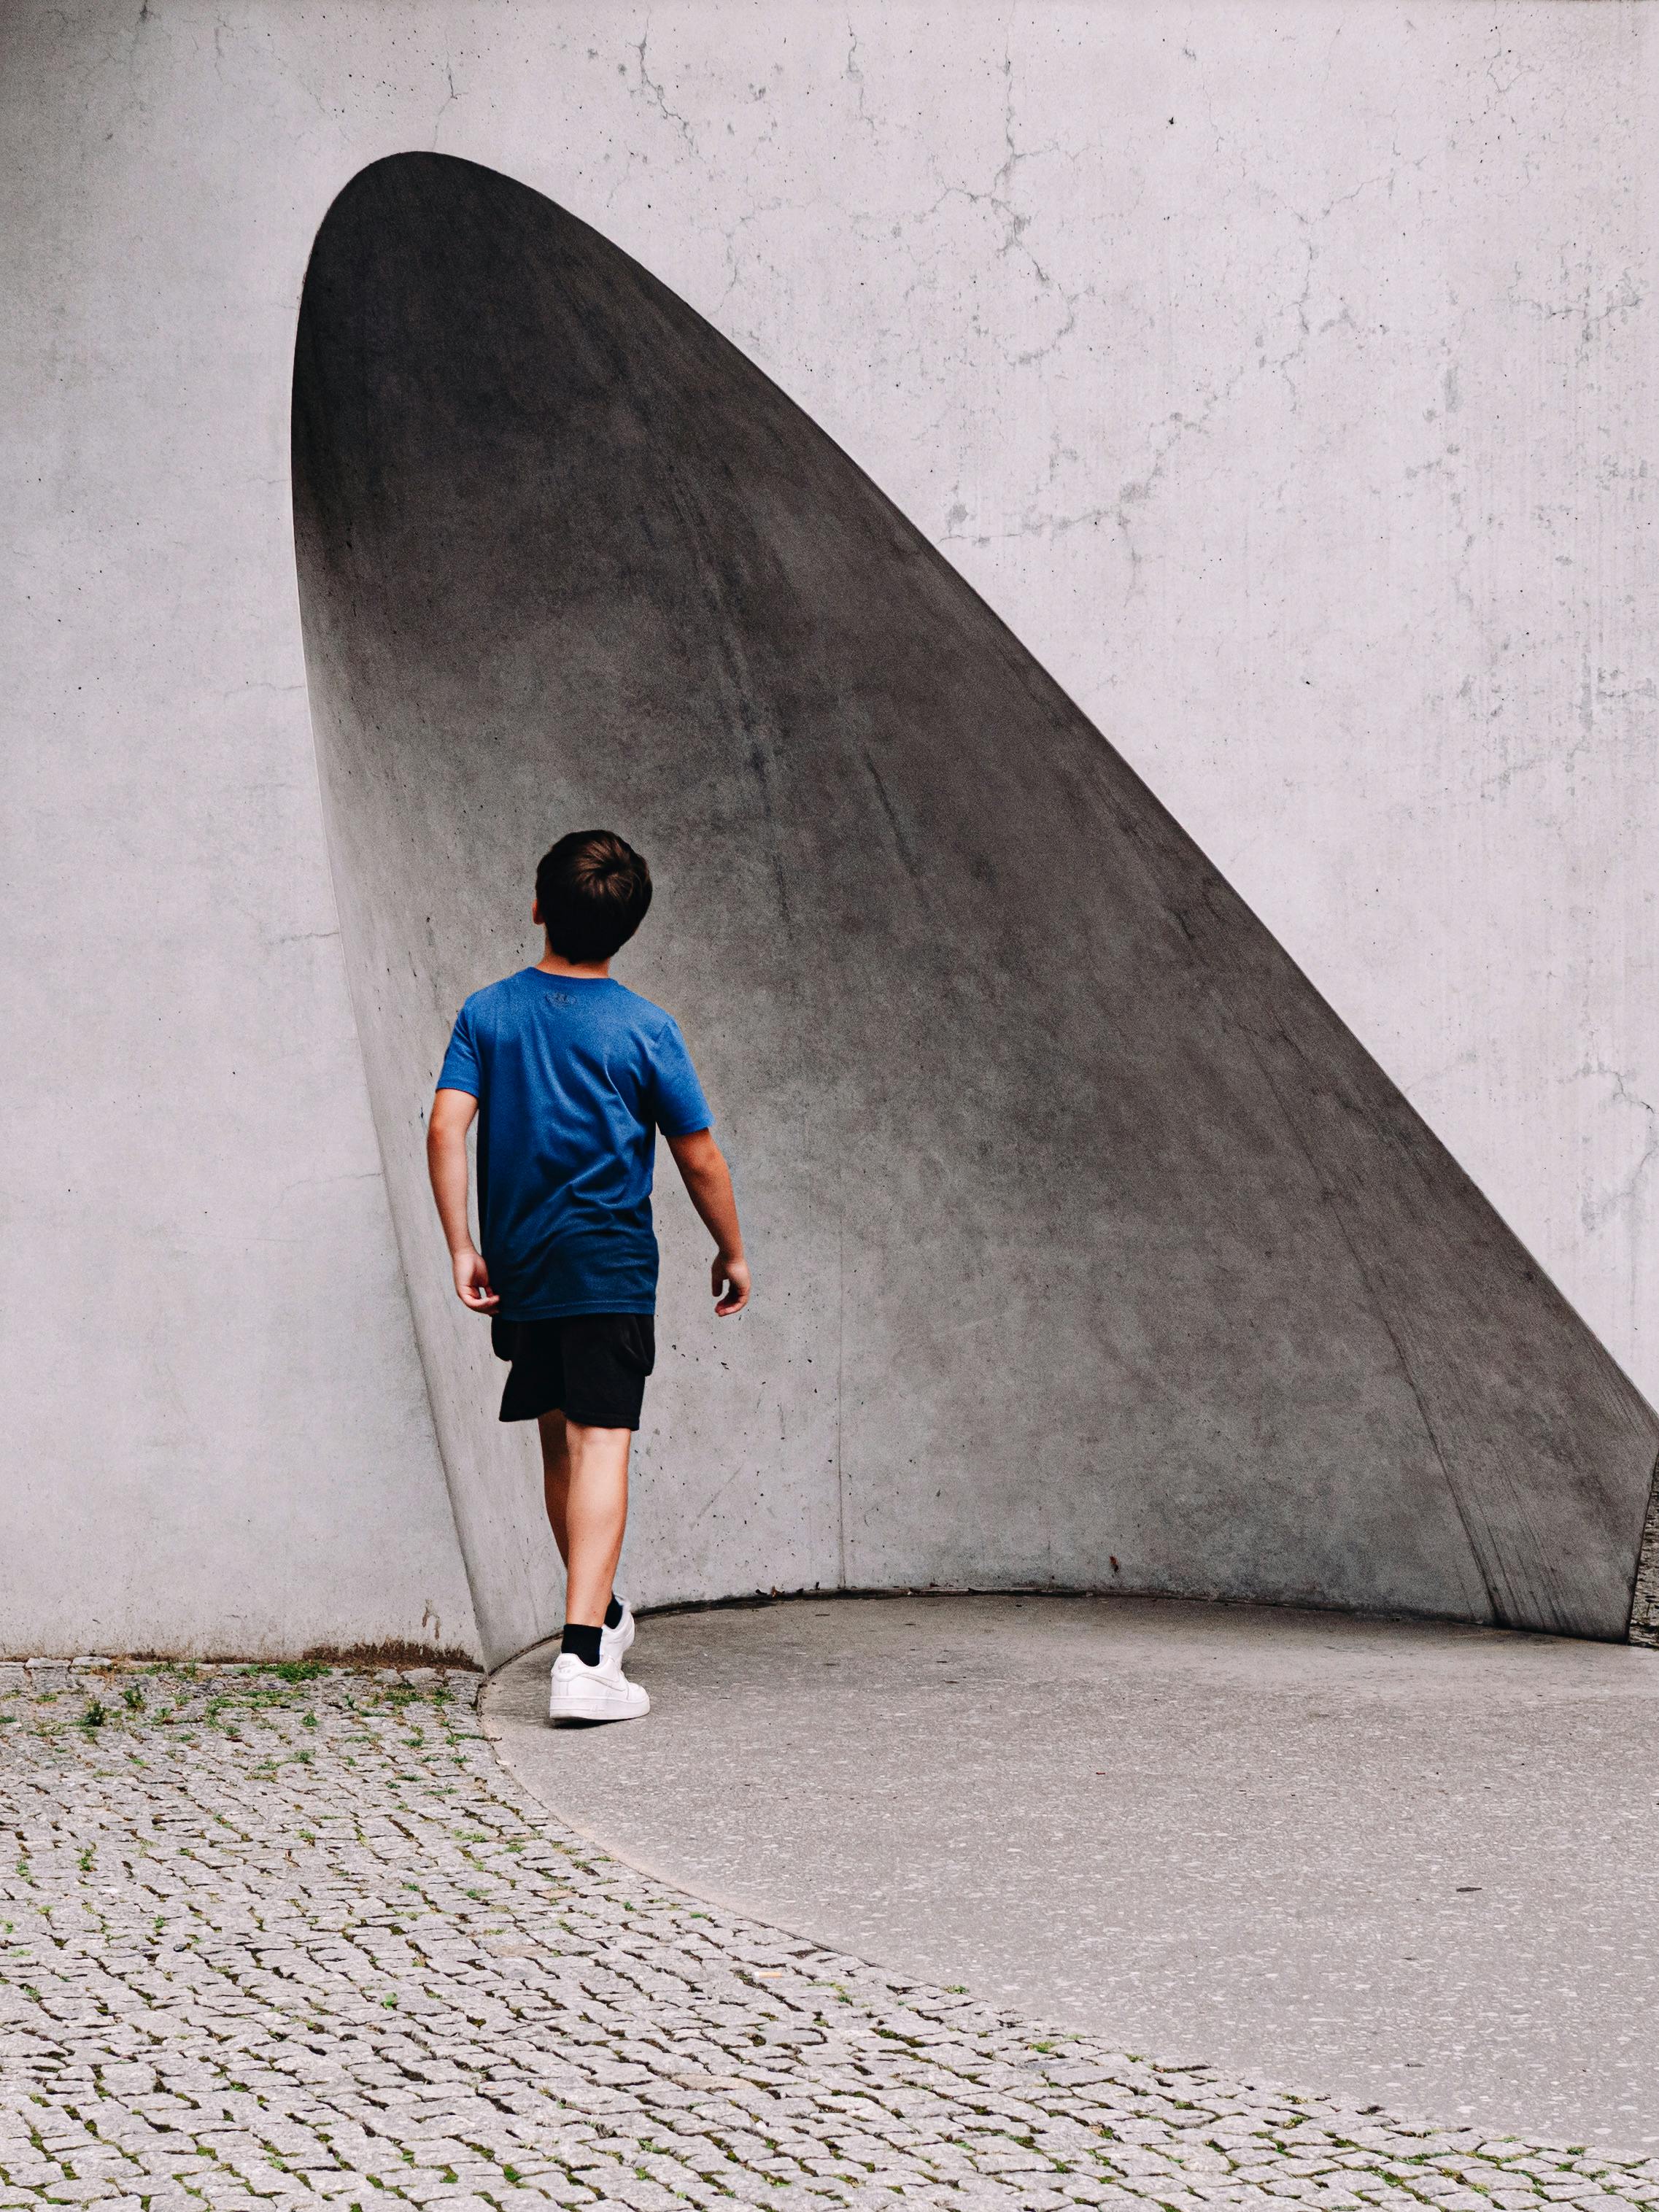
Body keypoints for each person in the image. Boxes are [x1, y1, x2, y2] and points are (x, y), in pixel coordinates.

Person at [425, 830, 750, 1724]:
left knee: (562, 1438)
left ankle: (599, 1611)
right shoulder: (647, 1027)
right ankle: (581, 1662)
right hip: (606, 1264)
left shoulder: (488, 1012)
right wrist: (731, 1248)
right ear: (628, 928)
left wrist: (463, 1244)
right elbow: (701, 1156)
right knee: (602, 1441)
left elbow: (447, 1127)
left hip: (524, 1263)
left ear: (538, 904)